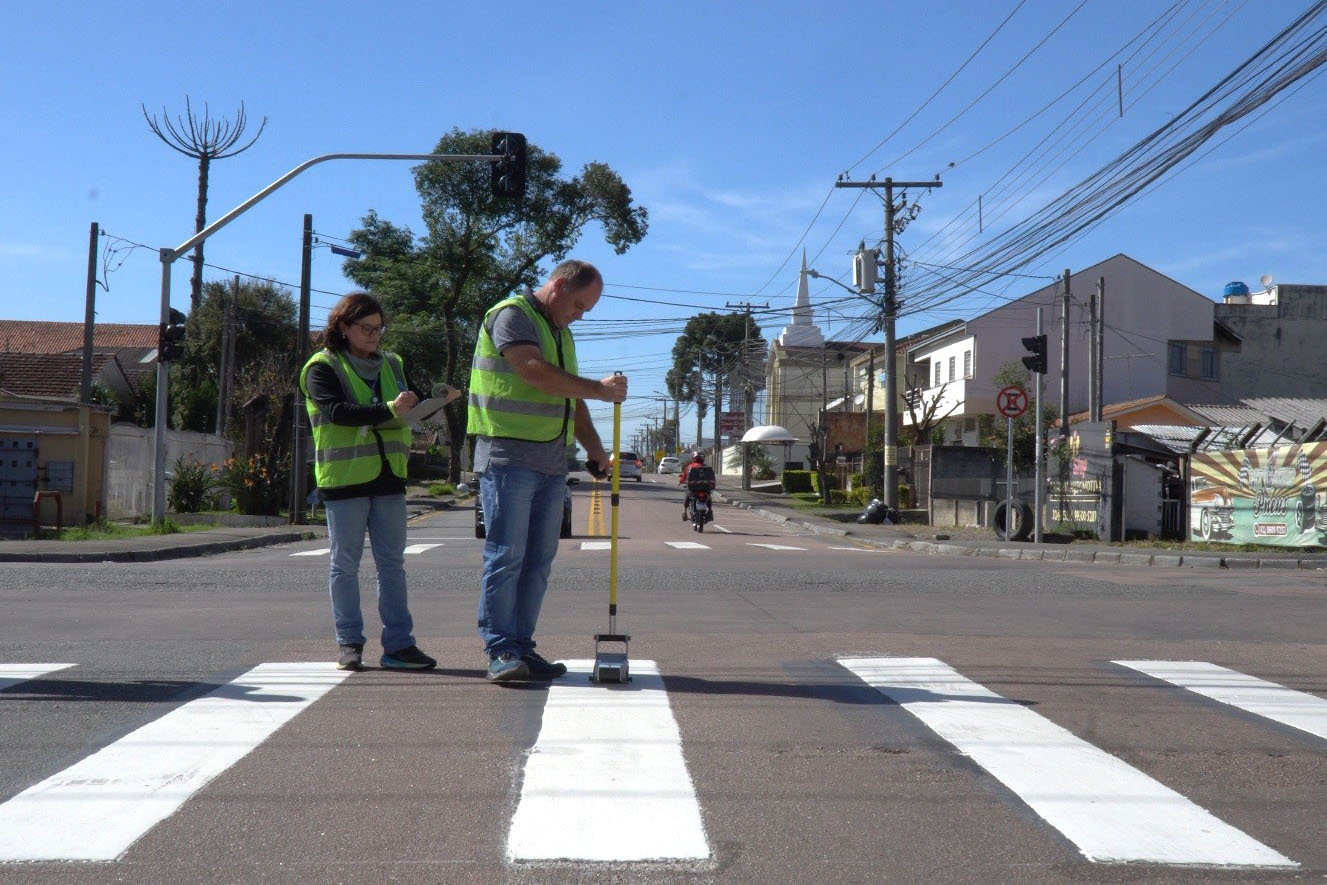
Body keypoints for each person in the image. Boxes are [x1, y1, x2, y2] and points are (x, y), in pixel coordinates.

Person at [468, 260, 626, 682]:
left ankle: (522, 645)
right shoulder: (512, 315)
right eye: (578, 304)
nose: (580, 314)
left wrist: (596, 450)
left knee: (538, 561)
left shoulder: (561, 334)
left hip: (551, 463)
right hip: (508, 457)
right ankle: (500, 649)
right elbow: (532, 371)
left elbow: (569, 398)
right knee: (507, 556)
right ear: (556, 287)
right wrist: (599, 388)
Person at [299, 291, 436, 673]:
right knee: (345, 565)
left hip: (390, 477)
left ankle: (399, 645)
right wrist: (393, 408)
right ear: (343, 327)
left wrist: (425, 401)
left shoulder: (393, 363)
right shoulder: (321, 367)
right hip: (344, 481)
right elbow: (338, 412)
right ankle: (349, 643)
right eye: (366, 328)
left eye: (379, 328)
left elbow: (404, 404)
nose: (375, 335)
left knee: (392, 565)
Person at [679, 451, 706, 519]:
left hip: (692, 488)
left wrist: (680, 481)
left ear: (693, 458)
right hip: (704, 488)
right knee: (708, 498)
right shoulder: (706, 467)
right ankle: (710, 511)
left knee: (687, 497)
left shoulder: (689, 467)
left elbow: (684, 477)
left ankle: (685, 512)